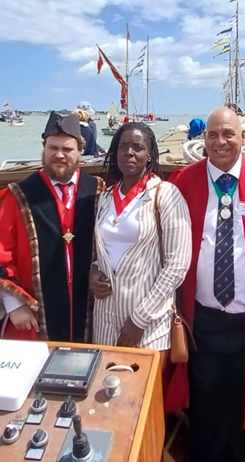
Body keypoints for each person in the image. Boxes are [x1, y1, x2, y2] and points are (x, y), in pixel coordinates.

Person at [165, 106, 245, 462]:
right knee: (204, 404)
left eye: (228, 134)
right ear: (204, 139)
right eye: (213, 135)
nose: (221, 142)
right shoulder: (184, 182)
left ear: (243, 137)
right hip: (202, 320)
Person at [0, 111, 104, 341]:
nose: (59, 155)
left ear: (80, 150)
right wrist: (14, 304)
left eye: (67, 149)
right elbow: (0, 253)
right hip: (34, 313)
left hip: (91, 311)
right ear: (43, 147)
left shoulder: (97, 190)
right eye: (52, 148)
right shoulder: (21, 194)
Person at [89, 122, 191, 351]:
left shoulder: (165, 195)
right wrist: (93, 271)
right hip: (105, 319)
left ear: (150, 154)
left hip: (148, 325)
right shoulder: (105, 198)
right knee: (103, 385)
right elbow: (104, 251)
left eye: (137, 147)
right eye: (123, 146)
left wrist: (139, 320)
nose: (129, 153)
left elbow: (177, 265)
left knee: (142, 386)